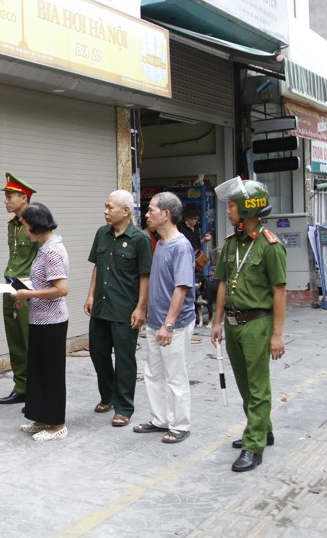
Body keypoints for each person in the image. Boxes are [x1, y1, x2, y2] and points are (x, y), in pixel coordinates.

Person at [210, 177, 286, 472]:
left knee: (258, 386)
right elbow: (222, 284)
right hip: (232, 322)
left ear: (246, 209)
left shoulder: (270, 246)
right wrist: (216, 322)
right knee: (245, 384)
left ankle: (254, 445)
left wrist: (277, 335)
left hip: (257, 323)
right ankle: (263, 429)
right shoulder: (231, 245)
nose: (228, 211)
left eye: (231, 206)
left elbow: (279, 292)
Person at [84, 190, 152, 427]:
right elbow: (96, 267)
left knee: (124, 359)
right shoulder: (102, 234)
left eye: (110, 207)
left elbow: (145, 276)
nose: (105, 212)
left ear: (126, 211)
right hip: (101, 307)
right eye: (105, 206)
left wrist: (140, 308)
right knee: (98, 352)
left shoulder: (140, 239)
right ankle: (108, 395)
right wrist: (90, 295)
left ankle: (123, 406)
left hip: (125, 309)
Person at [133, 191, 196, 444]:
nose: (147, 215)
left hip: (174, 325)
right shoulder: (159, 242)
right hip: (155, 322)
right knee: (154, 373)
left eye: (151, 210)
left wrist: (168, 324)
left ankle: (180, 424)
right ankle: (160, 419)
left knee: (175, 375)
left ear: (166, 214)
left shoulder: (180, 246)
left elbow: (181, 288)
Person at [13, 202, 70, 441]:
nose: (25, 232)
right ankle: (40, 418)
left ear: (35, 226)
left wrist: (28, 294)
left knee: (51, 372)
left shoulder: (53, 251)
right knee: (38, 371)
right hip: (40, 319)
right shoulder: (45, 247)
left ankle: (57, 425)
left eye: (26, 227)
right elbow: (44, 281)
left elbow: (61, 289)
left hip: (52, 321)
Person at [0, 173, 39, 405]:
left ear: (24, 197)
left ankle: (35, 386)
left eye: (10, 196)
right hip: (10, 283)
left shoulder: (34, 224)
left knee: (30, 338)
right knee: (14, 337)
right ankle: (21, 386)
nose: (6, 201)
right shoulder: (13, 225)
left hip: (27, 286)